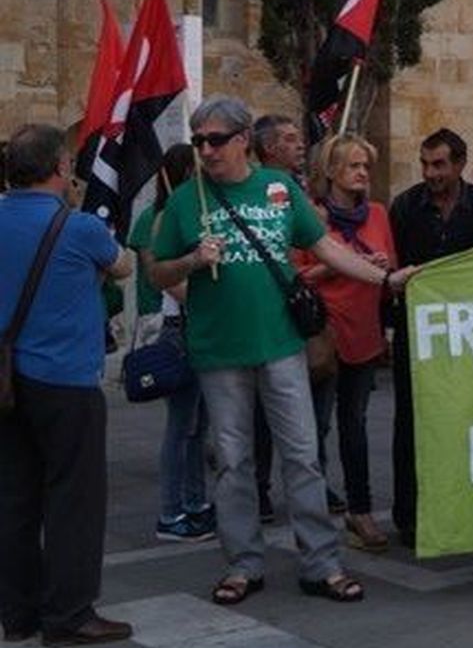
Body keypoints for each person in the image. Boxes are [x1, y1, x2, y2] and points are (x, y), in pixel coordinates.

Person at [151, 96, 414, 607]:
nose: (205, 150)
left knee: (302, 455)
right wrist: (190, 260)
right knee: (233, 461)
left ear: (243, 139)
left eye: (216, 139)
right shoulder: (187, 200)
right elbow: (157, 271)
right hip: (218, 351)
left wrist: (386, 278)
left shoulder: (278, 190)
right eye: (199, 140)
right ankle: (244, 563)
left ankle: (321, 562)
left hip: (281, 345)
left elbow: (327, 248)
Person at [0, 124, 134, 646]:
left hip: (7, 380)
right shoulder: (78, 228)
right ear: (60, 168)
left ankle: (17, 612)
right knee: (73, 497)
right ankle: (70, 613)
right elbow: (121, 266)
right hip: (65, 379)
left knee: (13, 496)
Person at [387, 128, 473, 546]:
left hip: (469, 334)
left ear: (461, 164)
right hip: (418, 333)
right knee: (411, 422)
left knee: (469, 419)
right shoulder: (406, 207)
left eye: (440, 164)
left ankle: (468, 509)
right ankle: (409, 515)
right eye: (425, 164)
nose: (431, 173)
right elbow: (393, 268)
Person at [298, 134, 396, 554]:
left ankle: (360, 509)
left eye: (365, 166)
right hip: (323, 333)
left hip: (363, 331)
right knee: (312, 427)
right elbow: (296, 275)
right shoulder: (310, 216)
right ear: (332, 170)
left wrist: (377, 266)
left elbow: (388, 265)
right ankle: (314, 510)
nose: (361, 173)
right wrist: (337, 266)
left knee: (354, 424)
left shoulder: (377, 214)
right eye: (354, 165)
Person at [128, 143, 214, 543]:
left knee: (198, 426)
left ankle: (195, 502)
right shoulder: (161, 218)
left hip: (197, 327)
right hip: (181, 327)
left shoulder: (194, 214)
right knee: (182, 426)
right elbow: (162, 278)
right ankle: (170, 510)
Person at [248, 114, 309, 522]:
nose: (299, 144)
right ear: (269, 147)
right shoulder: (269, 190)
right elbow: (285, 249)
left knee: (304, 423)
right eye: (289, 139)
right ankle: (258, 488)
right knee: (259, 418)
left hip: (298, 318)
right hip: (268, 315)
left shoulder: (296, 186)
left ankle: (304, 491)